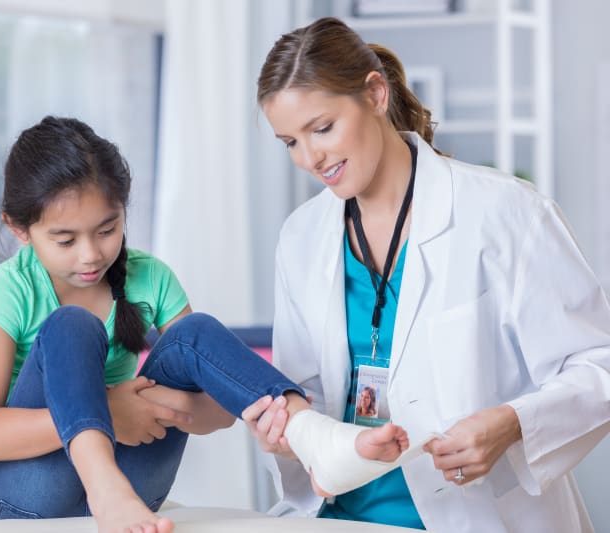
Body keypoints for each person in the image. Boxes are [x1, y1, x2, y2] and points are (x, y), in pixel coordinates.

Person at [0, 115, 413, 533]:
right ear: (19, 229)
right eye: (65, 240)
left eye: (107, 230)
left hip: (133, 481)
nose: (91, 254)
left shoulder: (150, 277)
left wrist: (152, 406)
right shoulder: (11, 287)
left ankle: (308, 435)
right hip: (25, 489)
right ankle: (104, 487)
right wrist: (108, 414)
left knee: (193, 334)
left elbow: (216, 412)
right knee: (71, 324)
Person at [244, 16, 610, 532]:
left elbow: (598, 365)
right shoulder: (301, 236)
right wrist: (290, 435)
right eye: (290, 142)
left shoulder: (505, 212)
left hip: (475, 516)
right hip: (342, 518)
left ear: (376, 94)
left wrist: (511, 424)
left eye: (322, 128)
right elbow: (307, 394)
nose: (310, 158)